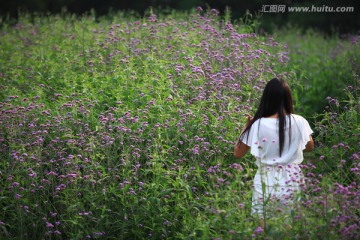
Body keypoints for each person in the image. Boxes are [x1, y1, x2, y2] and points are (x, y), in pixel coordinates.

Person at [234, 78, 314, 219]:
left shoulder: (258, 124)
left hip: (265, 179)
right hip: (291, 178)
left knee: (263, 227)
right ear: (288, 98)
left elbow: (238, 153)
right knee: (288, 226)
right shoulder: (299, 121)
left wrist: (246, 126)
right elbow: (309, 147)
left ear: (266, 98)